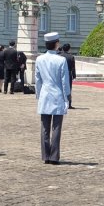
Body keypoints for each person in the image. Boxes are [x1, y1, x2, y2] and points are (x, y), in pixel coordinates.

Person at [35, 32, 71, 165]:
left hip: (44, 94)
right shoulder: (61, 60)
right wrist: (67, 96)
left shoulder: (39, 59)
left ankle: (45, 155)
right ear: (56, 44)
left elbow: (37, 80)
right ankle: (54, 156)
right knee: (56, 127)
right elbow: (64, 81)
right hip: (57, 95)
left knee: (44, 127)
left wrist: (38, 95)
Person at [59, 43, 77, 108]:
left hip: (60, 73)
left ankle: (60, 102)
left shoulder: (60, 56)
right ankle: (69, 104)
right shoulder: (71, 57)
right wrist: (74, 76)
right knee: (69, 89)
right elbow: (73, 68)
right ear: (69, 49)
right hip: (68, 74)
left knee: (60, 88)